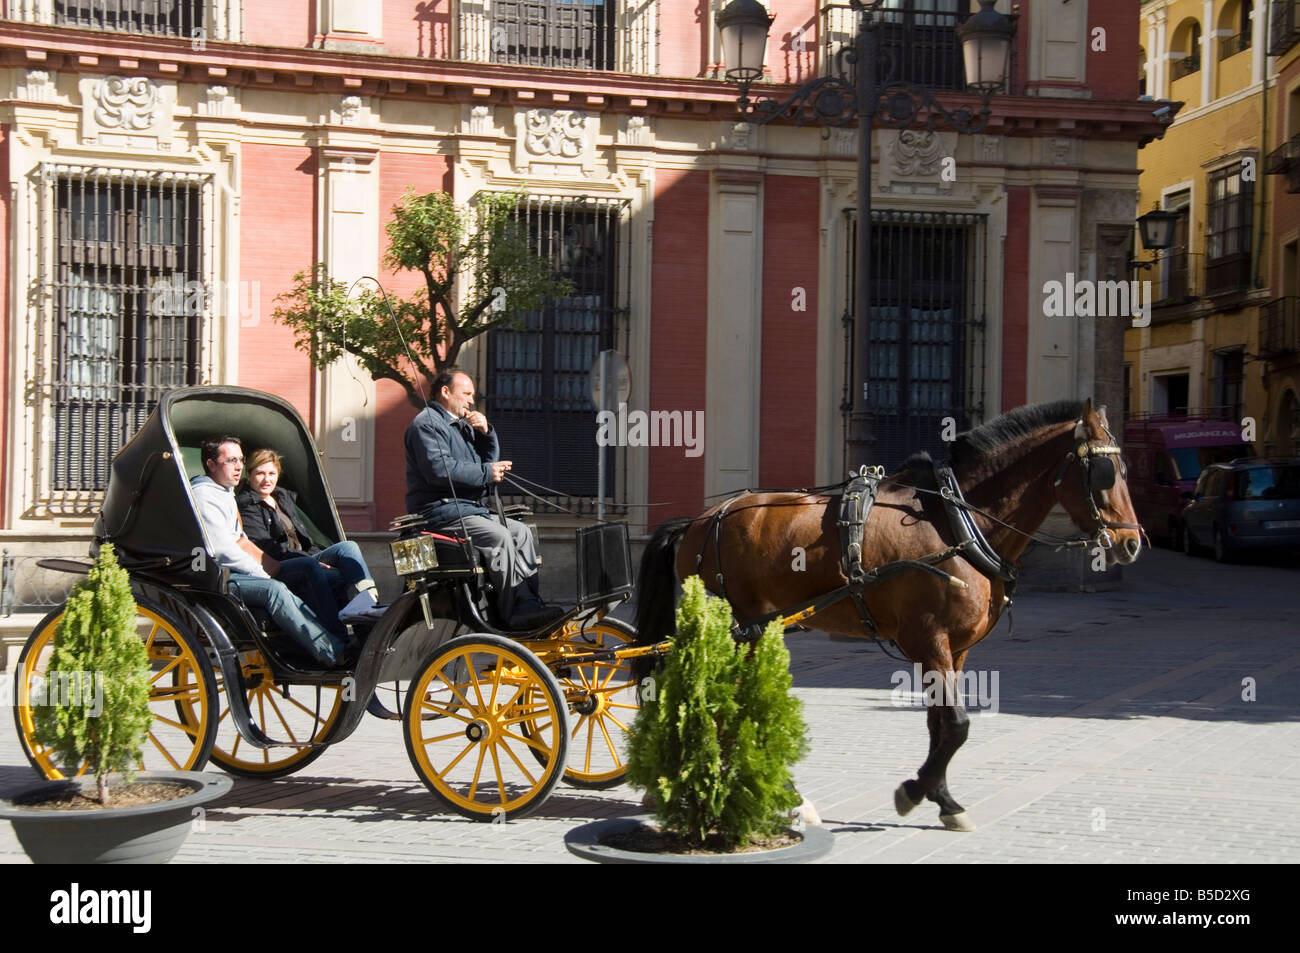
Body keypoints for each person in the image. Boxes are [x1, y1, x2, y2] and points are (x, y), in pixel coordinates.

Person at [404, 367, 565, 630]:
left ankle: (529, 605)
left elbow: (485, 464)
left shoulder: (461, 426)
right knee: (498, 537)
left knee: (521, 532)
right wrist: (486, 472)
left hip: (468, 509)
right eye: (466, 394)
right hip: (440, 512)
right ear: (445, 392)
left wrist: (487, 433)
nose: (471, 401)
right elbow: (440, 471)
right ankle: (511, 612)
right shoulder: (427, 425)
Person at [190, 435, 347, 668]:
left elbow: (240, 541)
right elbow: (222, 550)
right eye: (231, 460)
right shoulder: (205, 496)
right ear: (211, 465)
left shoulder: (223, 492)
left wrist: (269, 565)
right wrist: (261, 571)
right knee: (275, 591)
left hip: (238, 571)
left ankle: (340, 637)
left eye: (241, 460)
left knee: (308, 566)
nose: (239, 467)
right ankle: (332, 652)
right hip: (220, 578)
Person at [236, 447, 385, 628]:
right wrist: (312, 561)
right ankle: (340, 629)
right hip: (282, 564)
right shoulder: (247, 505)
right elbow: (268, 549)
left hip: (304, 556)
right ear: (249, 474)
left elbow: (305, 538)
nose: (267, 480)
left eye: (271, 473)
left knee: (348, 547)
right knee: (333, 575)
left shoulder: (282, 498)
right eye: (260, 473)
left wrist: (318, 557)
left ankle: (368, 602)